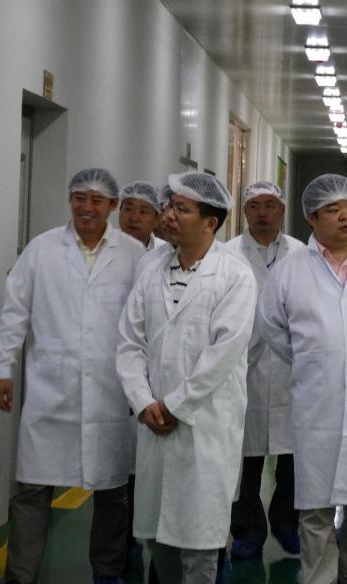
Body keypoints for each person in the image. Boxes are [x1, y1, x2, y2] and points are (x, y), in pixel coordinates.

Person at [0, 168, 145, 584]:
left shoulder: (134, 255)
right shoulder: (42, 249)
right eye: (79, 198)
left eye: (96, 200)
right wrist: (4, 367)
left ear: (112, 206)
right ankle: (19, 575)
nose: (86, 207)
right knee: (31, 490)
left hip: (111, 393)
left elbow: (146, 321)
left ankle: (107, 573)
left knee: (112, 494)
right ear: (70, 201)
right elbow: (15, 312)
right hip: (50, 391)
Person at [258, 174, 347, 584]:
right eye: (334, 209)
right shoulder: (290, 270)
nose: (346, 217)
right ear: (312, 217)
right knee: (316, 511)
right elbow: (272, 327)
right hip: (317, 409)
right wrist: (320, 358)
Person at [116, 171, 257, 584]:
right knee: (158, 542)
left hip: (204, 427)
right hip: (155, 424)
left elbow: (222, 355)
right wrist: (144, 402)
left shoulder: (235, 275)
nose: (169, 215)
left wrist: (175, 405)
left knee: (199, 547)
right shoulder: (152, 269)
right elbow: (130, 342)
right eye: (170, 206)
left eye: (182, 209)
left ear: (210, 222)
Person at [224, 181, 305, 559]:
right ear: (244, 212)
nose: (262, 213)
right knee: (245, 460)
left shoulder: (302, 255)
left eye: (269, 205)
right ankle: (247, 531)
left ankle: (288, 526)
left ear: (282, 210)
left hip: (292, 370)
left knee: (292, 460)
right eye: (254, 206)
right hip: (242, 371)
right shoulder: (226, 255)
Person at [118, 181, 167, 250]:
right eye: (128, 209)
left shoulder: (166, 251)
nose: (134, 218)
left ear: (157, 219)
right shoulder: (104, 247)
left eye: (143, 212)